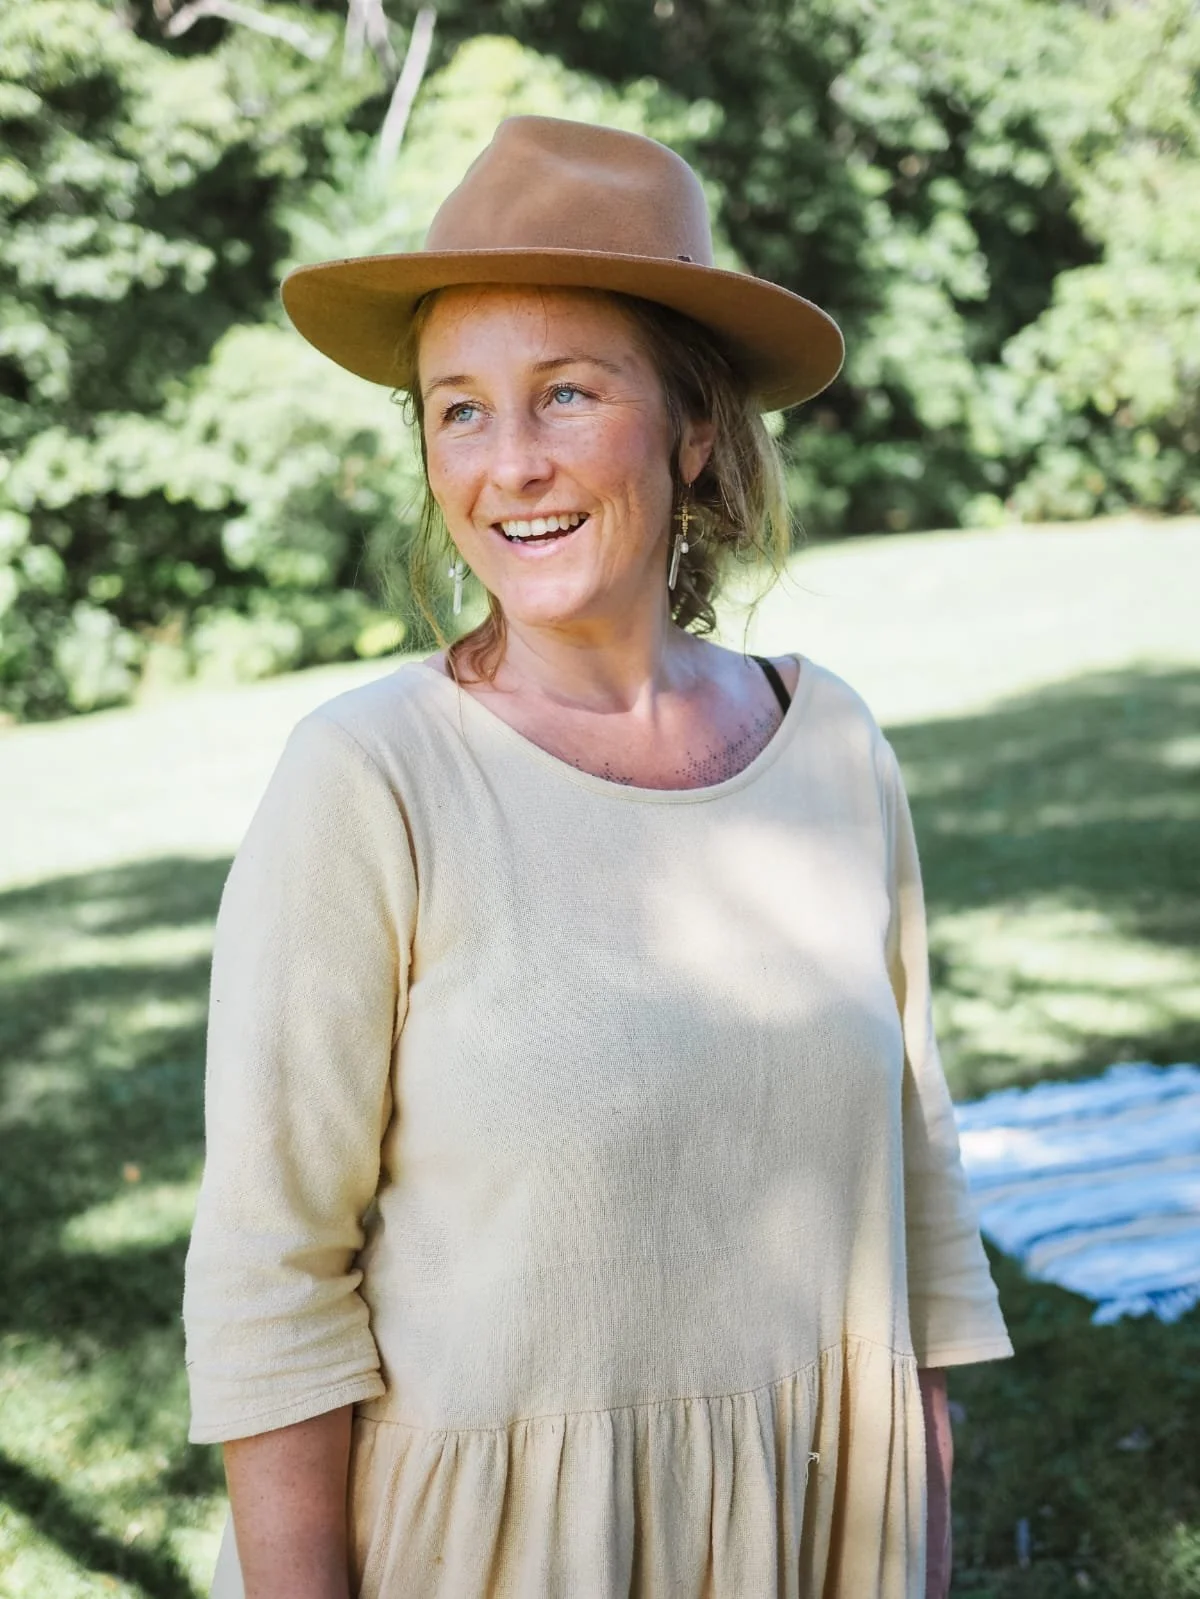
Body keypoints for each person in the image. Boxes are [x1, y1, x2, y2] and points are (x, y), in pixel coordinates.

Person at [182, 116, 1013, 1599]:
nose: (508, 466)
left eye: (565, 394)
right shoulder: (370, 776)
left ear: (694, 426)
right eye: (458, 410)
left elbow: (916, 1196)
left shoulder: (834, 747)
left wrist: (916, 1541)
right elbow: (270, 1281)